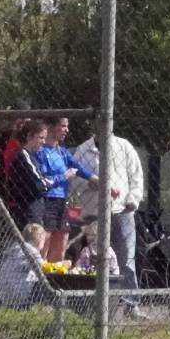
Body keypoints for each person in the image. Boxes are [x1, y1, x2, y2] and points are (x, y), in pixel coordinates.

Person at [72, 132, 143, 290]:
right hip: (93, 214)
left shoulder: (123, 146)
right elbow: (73, 178)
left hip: (121, 211)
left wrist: (132, 200)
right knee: (93, 258)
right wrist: (88, 184)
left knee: (126, 258)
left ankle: (128, 301)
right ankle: (93, 298)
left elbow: (136, 176)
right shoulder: (83, 149)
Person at [38, 116, 94, 262]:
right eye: (63, 126)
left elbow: (78, 167)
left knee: (62, 239)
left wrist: (97, 180)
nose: (67, 130)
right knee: (45, 241)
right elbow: (44, 178)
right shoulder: (41, 151)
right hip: (48, 200)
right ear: (50, 127)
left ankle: (55, 272)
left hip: (61, 200)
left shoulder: (61, 151)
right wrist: (64, 176)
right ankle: (40, 272)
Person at [4, 119, 50, 228]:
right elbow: (41, 184)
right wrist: (60, 178)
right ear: (30, 136)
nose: (44, 142)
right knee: (32, 238)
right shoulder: (23, 156)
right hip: (27, 210)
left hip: (34, 208)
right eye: (41, 138)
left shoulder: (32, 156)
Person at [0, 221, 48, 307]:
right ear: (39, 238)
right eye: (44, 239)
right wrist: (61, 265)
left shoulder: (16, 247)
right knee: (46, 282)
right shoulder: (31, 251)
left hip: (5, 294)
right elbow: (45, 268)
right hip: (21, 293)